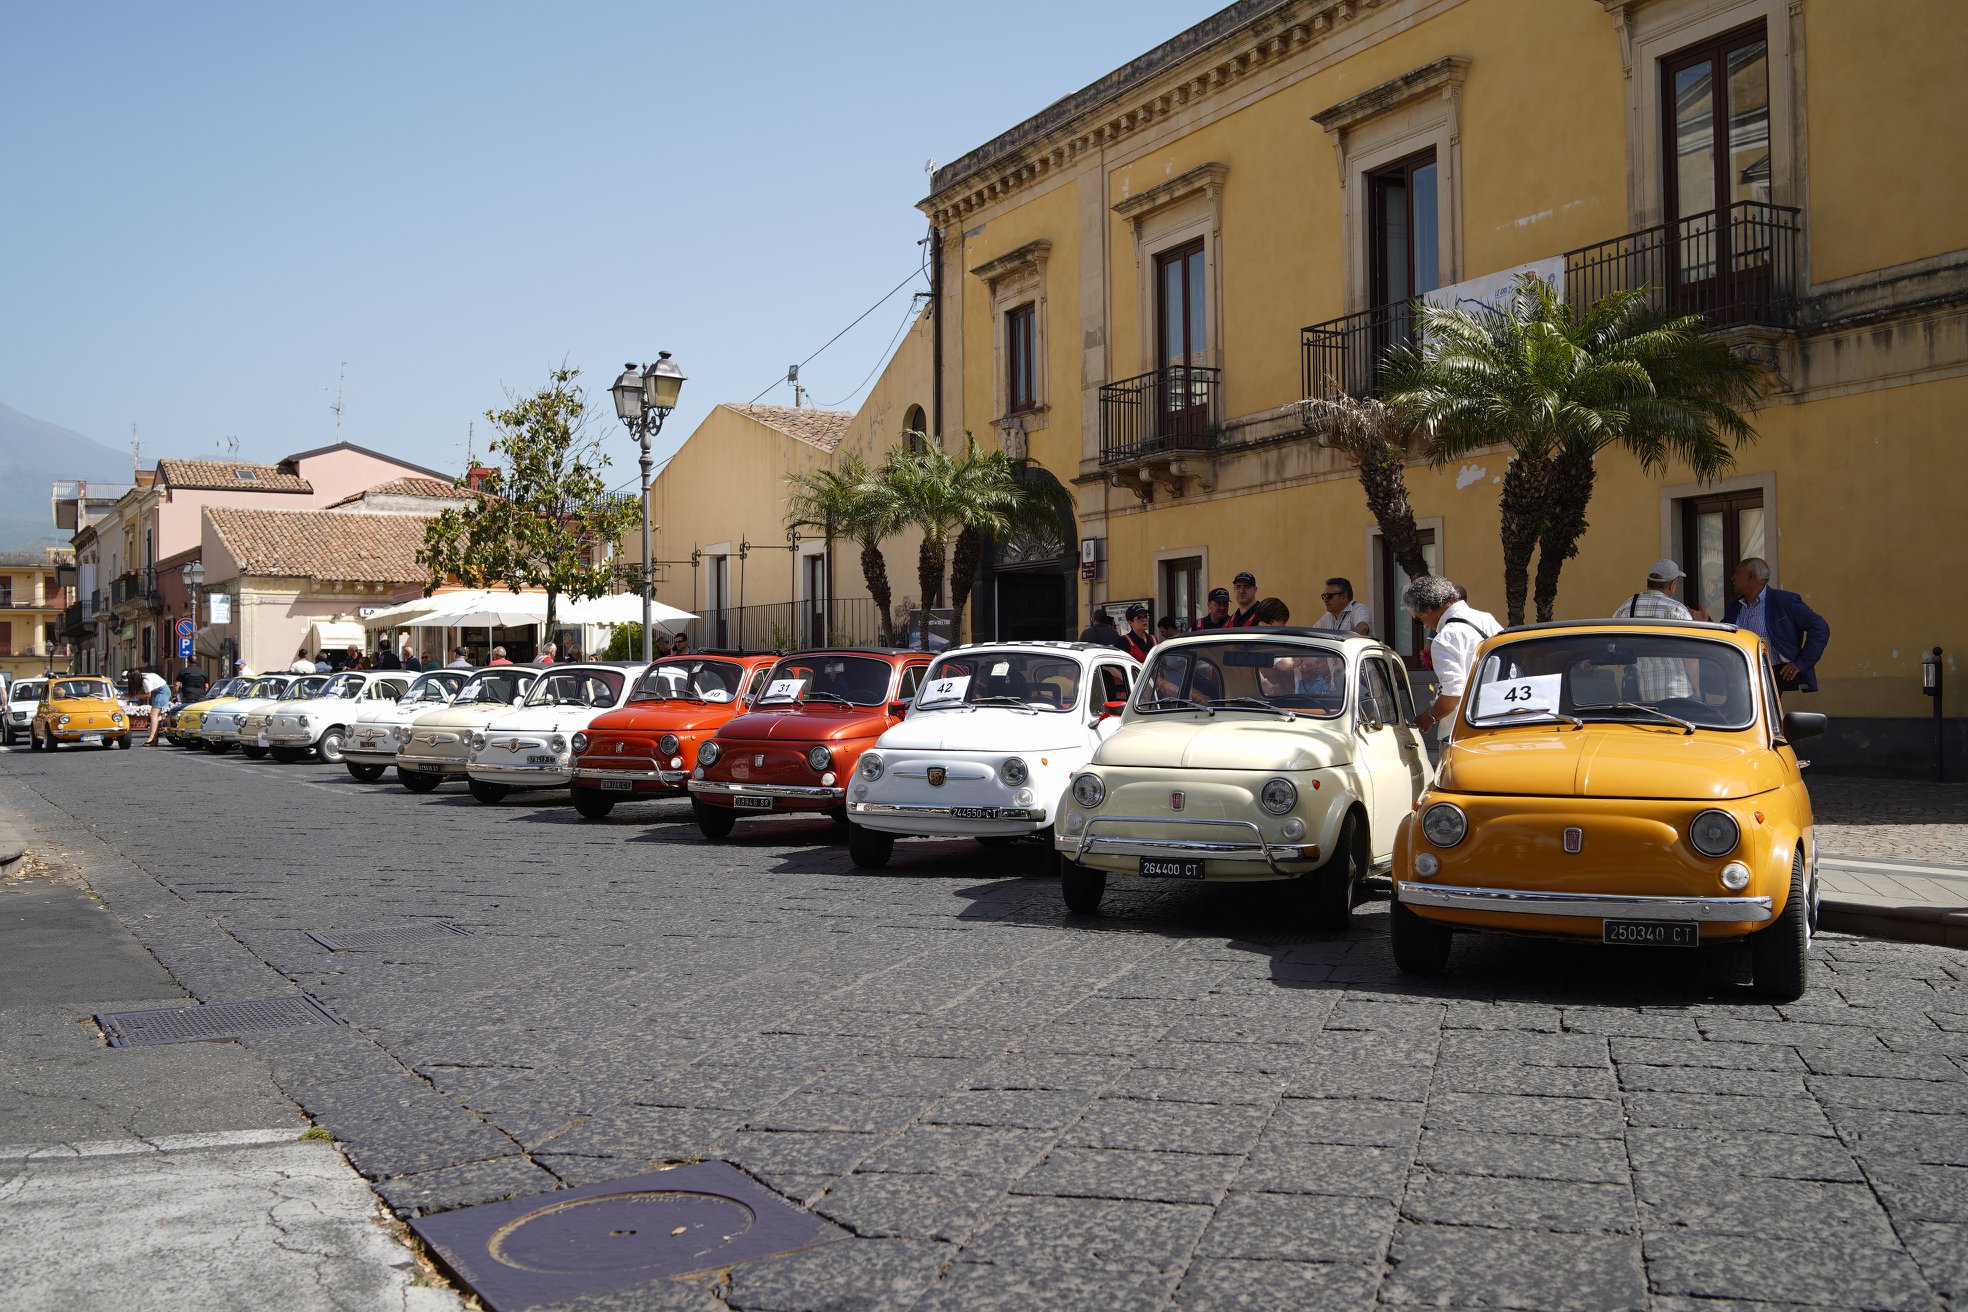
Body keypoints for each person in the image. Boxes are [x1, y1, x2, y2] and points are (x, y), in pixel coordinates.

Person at [1405, 576, 1501, 740]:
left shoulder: (1444, 639)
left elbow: (1453, 693)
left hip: (1464, 731)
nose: (1426, 626)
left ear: (1427, 609)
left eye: (1418, 620)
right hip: (1500, 718)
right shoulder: (1486, 618)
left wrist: (1429, 717)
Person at [1725, 557, 1830, 693]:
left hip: (1772, 676)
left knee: (1765, 714)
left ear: (1751, 576)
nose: (1733, 578)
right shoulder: (1734, 605)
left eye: (1737, 573)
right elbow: (1726, 634)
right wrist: (1706, 621)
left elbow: (1820, 628)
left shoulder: (1784, 601)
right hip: (1738, 675)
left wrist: (1801, 663)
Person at [1613, 558, 1702, 701]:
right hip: (1677, 694)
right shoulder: (1677, 610)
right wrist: (1697, 690)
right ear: (1672, 585)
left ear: (1648, 582)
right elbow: (1690, 656)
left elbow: (1609, 643)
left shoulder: (1627, 607)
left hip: (1641, 696)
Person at [139, 667, 170, 746]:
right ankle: (154, 739)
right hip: (160, 691)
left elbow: (148, 694)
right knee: (157, 716)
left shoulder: (146, 680)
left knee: (153, 714)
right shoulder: (144, 676)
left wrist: (134, 696)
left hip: (162, 691)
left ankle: (151, 737)